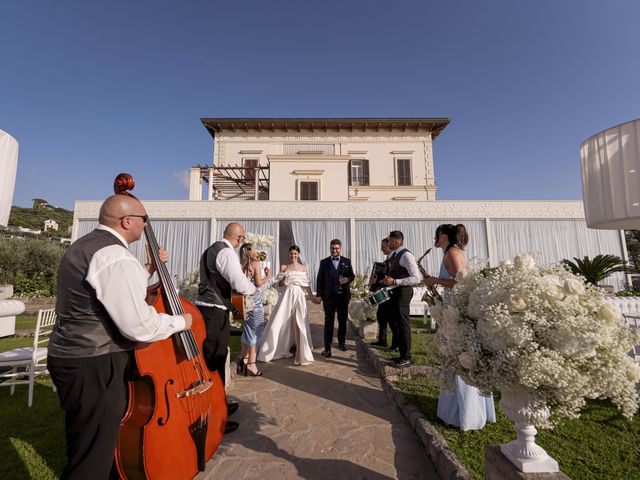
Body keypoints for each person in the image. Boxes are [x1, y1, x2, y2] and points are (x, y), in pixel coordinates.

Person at [47, 194, 194, 479]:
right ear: (127, 221)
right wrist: (181, 322)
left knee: (87, 438)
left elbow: (113, 289)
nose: (146, 224)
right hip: (94, 359)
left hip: (71, 355)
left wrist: (149, 268)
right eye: (144, 219)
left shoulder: (89, 246)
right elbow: (137, 325)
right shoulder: (114, 254)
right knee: (92, 455)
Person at [424, 223, 496, 431]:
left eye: (437, 236)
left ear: (444, 237)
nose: (435, 240)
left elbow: (460, 283)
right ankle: (459, 412)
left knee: (458, 360)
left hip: (456, 313)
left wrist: (434, 280)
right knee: (455, 360)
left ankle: (462, 414)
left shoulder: (452, 253)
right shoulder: (453, 252)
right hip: (452, 311)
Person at [196, 222, 256, 434]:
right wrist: (253, 289)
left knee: (214, 359)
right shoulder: (227, 253)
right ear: (239, 239)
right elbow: (239, 283)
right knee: (215, 361)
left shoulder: (210, 250)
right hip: (214, 312)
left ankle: (220, 403)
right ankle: (214, 416)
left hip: (206, 309)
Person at [258, 245, 320, 365]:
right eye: (291, 254)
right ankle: (279, 346)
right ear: (289, 254)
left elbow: (306, 285)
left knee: (299, 322)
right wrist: (284, 279)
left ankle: (299, 351)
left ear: (299, 255)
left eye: (295, 254)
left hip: (299, 297)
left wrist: (312, 297)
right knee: (283, 322)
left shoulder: (303, 268)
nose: (293, 256)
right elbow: (279, 284)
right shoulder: (284, 267)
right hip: (287, 297)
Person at [381, 230, 421, 367]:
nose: (388, 243)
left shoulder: (406, 255)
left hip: (403, 293)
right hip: (396, 293)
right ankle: (401, 354)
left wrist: (395, 282)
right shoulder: (397, 255)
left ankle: (406, 357)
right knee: (397, 324)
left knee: (403, 324)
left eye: (389, 240)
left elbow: (416, 278)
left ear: (395, 241)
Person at [316, 239, 355, 358]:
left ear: (340, 248)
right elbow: (320, 280)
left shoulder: (346, 261)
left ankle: (342, 343)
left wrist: (347, 279)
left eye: (337, 248)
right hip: (329, 297)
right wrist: (319, 295)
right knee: (329, 322)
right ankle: (327, 349)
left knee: (342, 321)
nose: (335, 250)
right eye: (333, 248)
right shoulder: (324, 262)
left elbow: (352, 275)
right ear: (330, 248)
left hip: (343, 297)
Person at [238, 243, 271, 376]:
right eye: (255, 249)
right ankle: (252, 363)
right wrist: (268, 275)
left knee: (247, 328)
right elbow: (258, 283)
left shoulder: (240, 265)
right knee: (256, 331)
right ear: (251, 252)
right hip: (255, 300)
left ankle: (244, 359)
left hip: (244, 300)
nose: (257, 251)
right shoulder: (255, 264)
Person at [371, 238, 394, 348]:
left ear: (390, 246)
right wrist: (375, 281)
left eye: (383, 247)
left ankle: (395, 345)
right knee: (381, 316)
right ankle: (382, 340)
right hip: (383, 293)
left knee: (392, 320)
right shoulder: (386, 262)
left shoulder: (394, 261)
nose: (381, 249)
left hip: (391, 295)